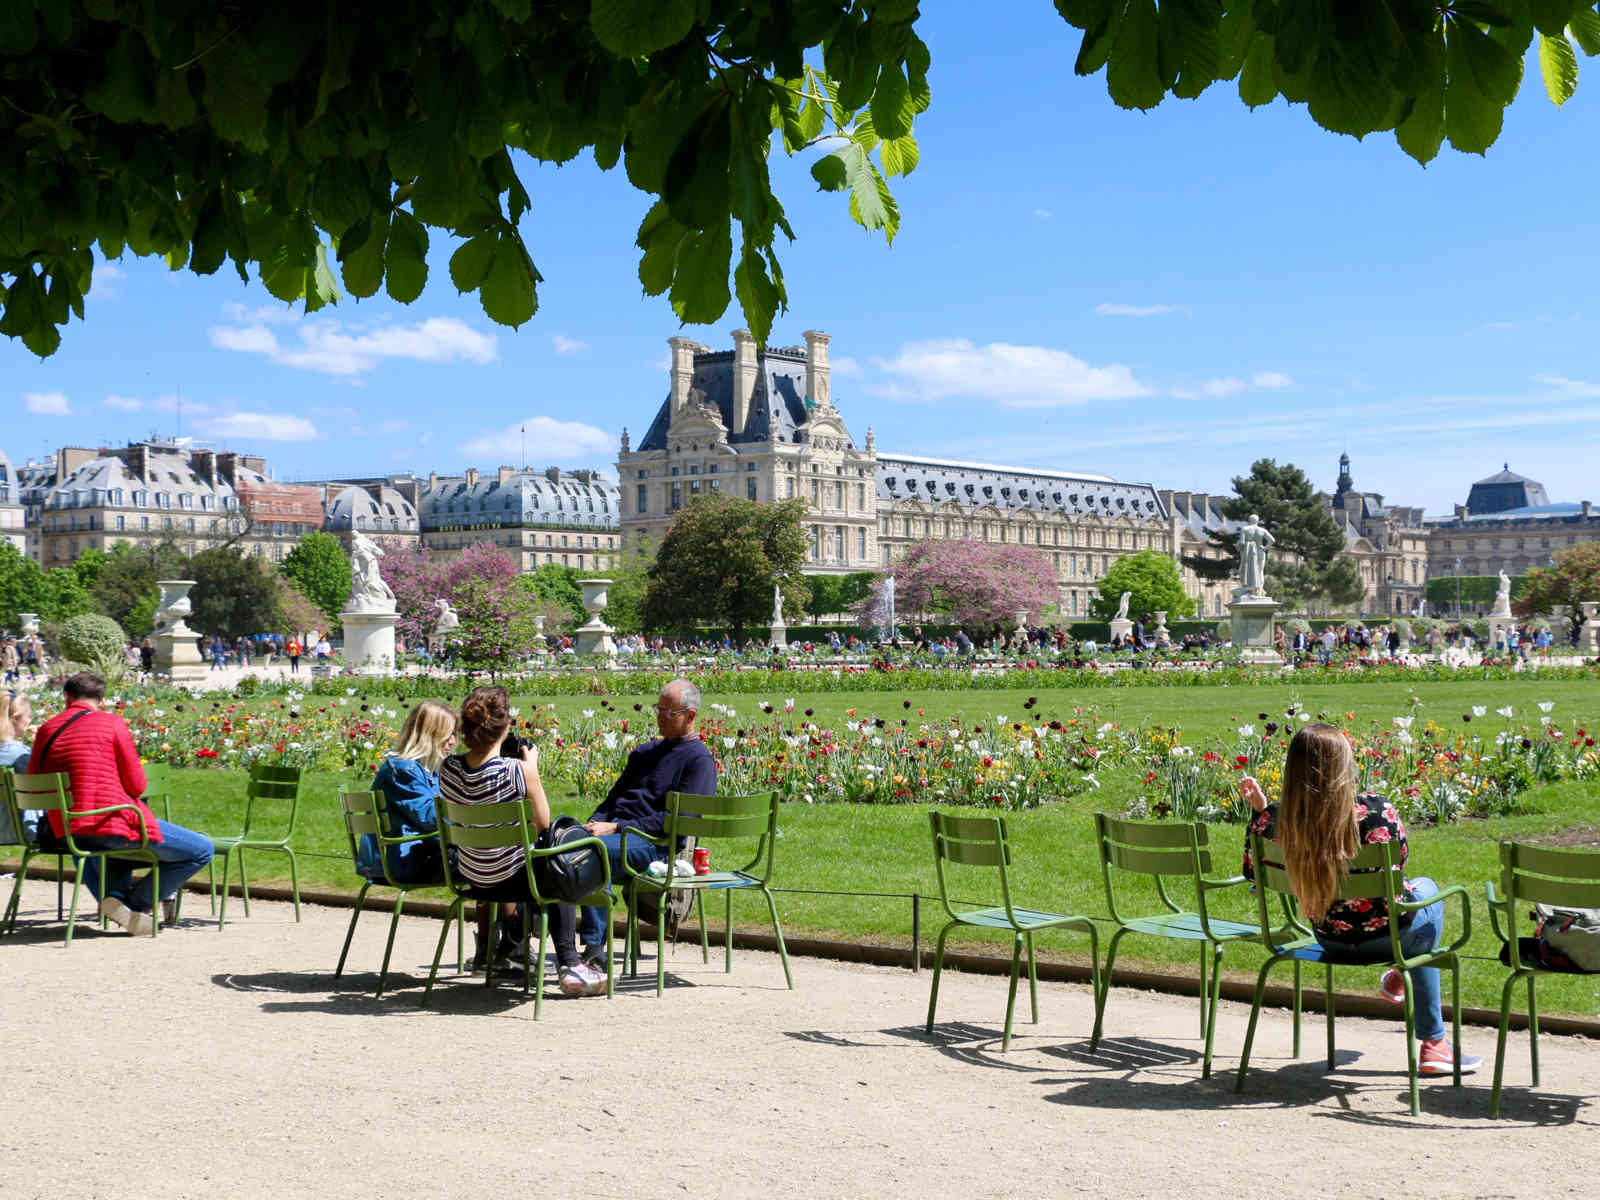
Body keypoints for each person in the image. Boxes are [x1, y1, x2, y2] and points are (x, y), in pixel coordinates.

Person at [1239, 723, 1480, 1077]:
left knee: (1414, 907)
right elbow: (1400, 869)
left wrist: (1262, 810)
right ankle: (1431, 1038)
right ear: (1343, 767)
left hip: (1328, 938)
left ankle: (1432, 1035)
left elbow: (1251, 872)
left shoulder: (1274, 821)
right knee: (1426, 890)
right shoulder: (1377, 811)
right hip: (1386, 940)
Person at [440, 685, 604, 996]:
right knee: (559, 857)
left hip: (471, 876)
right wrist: (533, 770)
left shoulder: (448, 768)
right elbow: (544, 826)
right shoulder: (519, 770)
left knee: (539, 858)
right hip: (513, 881)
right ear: (504, 728)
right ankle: (570, 963)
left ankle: (510, 947)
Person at [28, 673, 214, 934]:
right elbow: (138, 785)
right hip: (110, 826)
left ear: (67, 698)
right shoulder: (111, 723)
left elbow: (35, 781)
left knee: (102, 850)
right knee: (202, 849)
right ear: (101, 701)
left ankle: (116, 900)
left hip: (67, 831)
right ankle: (132, 903)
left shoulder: (47, 729)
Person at [576, 678, 718, 966]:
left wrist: (617, 827)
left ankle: (592, 950)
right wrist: (594, 822)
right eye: (659, 709)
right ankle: (523, 942)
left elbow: (679, 821)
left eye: (670, 713)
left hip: (656, 845)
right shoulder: (644, 753)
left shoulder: (698, 761)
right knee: (554, 845)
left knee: (594, 854)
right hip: (616, 836)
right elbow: (612, 800)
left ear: (690, 716)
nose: (660, 717)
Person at [356, 700, 456, 884]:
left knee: (495, 861)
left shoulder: (425, 770)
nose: (453, 741)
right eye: (448, 735)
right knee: (492, 864)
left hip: (418, 855)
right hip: (406, 861)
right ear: (430, 734)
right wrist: (472, 818)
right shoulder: (403, 771)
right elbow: (432, 819)